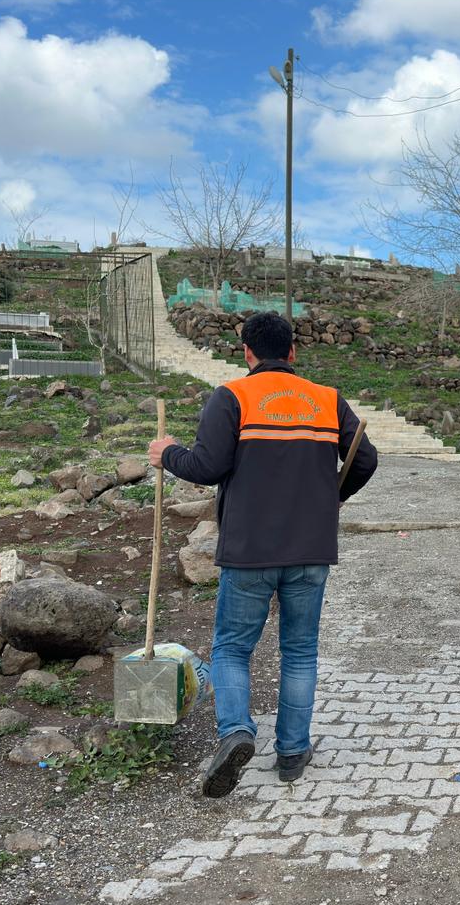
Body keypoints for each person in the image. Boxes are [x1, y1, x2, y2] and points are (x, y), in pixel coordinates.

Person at [148, 311, 377, 796]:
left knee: (233, 648)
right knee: (299, 650)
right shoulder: (327, 400)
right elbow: (366, 457)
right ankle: (292, 752)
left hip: (249, 551)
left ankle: (235, 732)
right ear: (293, 352)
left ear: (247, 353)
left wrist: (166, 453)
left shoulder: (232, 397)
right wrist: (334, 496)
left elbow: (207, 466)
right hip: (311, 550)